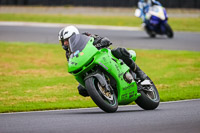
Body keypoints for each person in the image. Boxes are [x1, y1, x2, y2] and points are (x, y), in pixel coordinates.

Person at [58, 25, 147, 97]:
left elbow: (100, 38)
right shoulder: (69, 54)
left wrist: (101, 42)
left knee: (120, 51)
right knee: (81, 89)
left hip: (102, 55)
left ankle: (141, 75)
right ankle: (102, 93)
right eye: (63, 41)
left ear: (74, 36)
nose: (65, 43)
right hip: (88, 65)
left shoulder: (85, 36)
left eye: (66, 40)